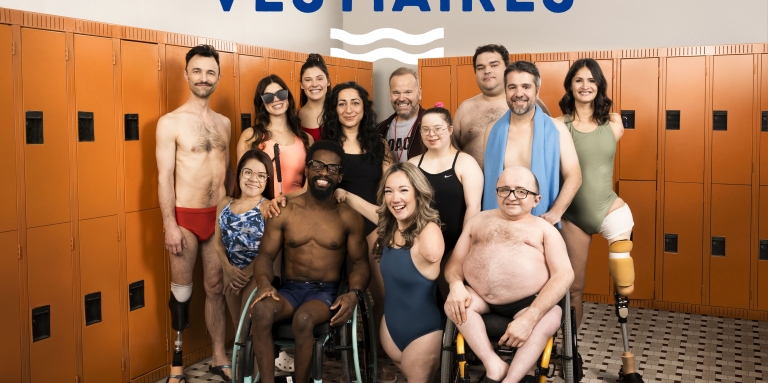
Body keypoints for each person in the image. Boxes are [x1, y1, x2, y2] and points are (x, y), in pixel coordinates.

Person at [249, 141, 371, 383]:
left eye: (332, 168)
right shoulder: (284, 212)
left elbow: (360, 265)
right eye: (317, 165)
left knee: (304, 320)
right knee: (261, 311)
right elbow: (264, 257)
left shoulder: (349, 218)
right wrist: (264, 284)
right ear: (306, 170)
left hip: (325, 293)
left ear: (340, 176)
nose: (324, 173)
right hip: (290, 289)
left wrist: (353, 294)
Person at [444, 166, 574, 383]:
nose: (511, 197)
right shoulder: (477, 221)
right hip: (479, 296)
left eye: (521, 191)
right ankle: (493, 365)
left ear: (536, 200)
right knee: (455, 304)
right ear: (496, 193)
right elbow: (454, 263)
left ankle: (511, 380)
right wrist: (456, 285)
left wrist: (531, 317)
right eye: (504, 190)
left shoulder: (545, 230)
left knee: (550, 317)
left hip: (527, 302)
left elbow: (564, 275)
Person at [556, 59, 641, 380]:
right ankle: (572, 348)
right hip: (574, 216)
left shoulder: (615, 123)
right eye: (578, 80)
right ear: (570, 86)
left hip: (609, 207)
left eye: (591, 80)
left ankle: (627, 359)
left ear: (599, 85)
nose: (585, 86)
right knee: (574, 287)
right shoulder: (557, 125)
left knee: (624, 279)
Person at [155, 45, 234, 383]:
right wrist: (169, 224)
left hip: (216, 216)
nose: (204, 78)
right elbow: (163, 178)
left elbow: (227, 173)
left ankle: (218, 355)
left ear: (218, 76)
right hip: (185, 217)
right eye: (197, 71)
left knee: (215, 287)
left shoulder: (225, 123)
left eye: (210, 72)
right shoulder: (169, 123)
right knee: (182, 291)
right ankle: (176, 363)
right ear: (186, 74)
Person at [340, 162, 444, 383]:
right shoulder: (391, 227)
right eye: (389, 191)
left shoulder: (430, 231)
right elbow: (367, 208)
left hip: (423, 336)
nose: (395, 198)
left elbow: (435, 256)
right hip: (391, 334)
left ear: (418, 192)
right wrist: (342, 193)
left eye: (404, 190)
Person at [322, 81, 394, 341]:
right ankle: (334, 343)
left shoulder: (379, 145)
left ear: (364, 108)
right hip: (336, 225)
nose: (349, 109)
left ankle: (375, 349)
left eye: (355, 102)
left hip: (373, 223)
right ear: (334, 109)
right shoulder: (327, 147)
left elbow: (391, 189)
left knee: (383, 294)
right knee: (337, 289)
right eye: (342, 103)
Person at [482, 60, 581, 229]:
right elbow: (487, 178)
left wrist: (555, 212)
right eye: (512, 87)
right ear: (505, 91)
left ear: (537, 90)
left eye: (526, 87)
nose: (518, 93)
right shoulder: (492, 130)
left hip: (539, 222)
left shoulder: (557, 129)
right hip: (498, 222)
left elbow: (574, 176)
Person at [406, 103, 483, 299]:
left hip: (455, 245)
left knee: (448, 297)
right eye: (425, 129)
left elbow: (473, 208)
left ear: (449, 130)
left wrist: (463, 249)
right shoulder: (413, 165)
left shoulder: (466, 163)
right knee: (422, 298)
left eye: (437, 128)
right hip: (419, 245)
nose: (431, 134)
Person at [453, 45, 550, 168]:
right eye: (480, 67)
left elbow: (550, 143)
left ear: (506, 68)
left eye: (494, 65)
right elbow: (452, 150)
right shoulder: (464, 108)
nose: (487, 71)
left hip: (520, 185)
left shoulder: (530, 103)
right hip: (474, 185)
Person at [212, 149, 274, 328]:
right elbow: (218, 242)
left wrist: (243, 276)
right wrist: (228, 270)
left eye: (261, 175)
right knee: (237, 324)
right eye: (248, 172)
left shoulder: (268, 207)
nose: (254, 179)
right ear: (239, 174)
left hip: (255, 273)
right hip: (230, 272)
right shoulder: (224, 203)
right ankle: (239, 358)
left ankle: (258, 357)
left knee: (249, 327)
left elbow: (271, 252)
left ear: (267, 180)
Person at [237, 74, 314, 198]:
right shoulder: (251, 136)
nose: (276, 99)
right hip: (264, 210)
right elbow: (242, 182)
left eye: (281, 94)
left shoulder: (306, 139)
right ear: (262, 103)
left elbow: (311, 185)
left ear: (287, 97)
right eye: (268, 97)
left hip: (296, 209)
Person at [375, 67, 426, 162]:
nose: (402, 98)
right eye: (396, 93)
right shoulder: (380, 130)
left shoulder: (434, 126)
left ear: (419, 93)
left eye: (408, 92)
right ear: (390, 95)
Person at [298, 53, 331, 142]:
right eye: (308, 80)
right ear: (301, 84)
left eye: (319, 79)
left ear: (328, 81)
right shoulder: (294, 118)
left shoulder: (340, 112)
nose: (314, 84)